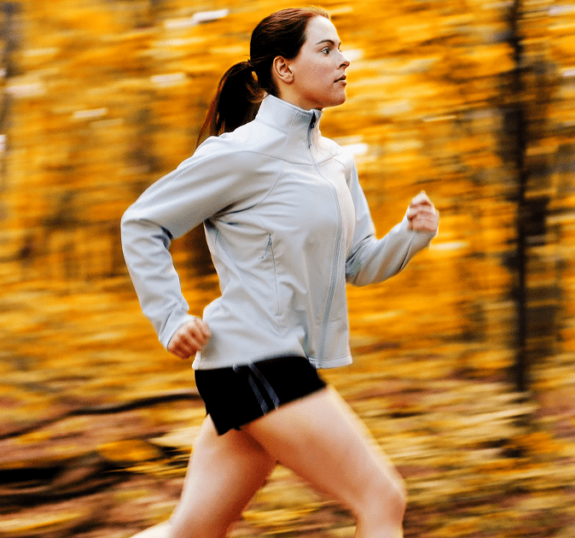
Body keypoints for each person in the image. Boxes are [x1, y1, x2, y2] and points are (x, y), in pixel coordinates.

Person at [120, 7, 438, 538]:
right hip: (253, 356)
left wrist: (410, 236)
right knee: (382, 500)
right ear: (283, 69)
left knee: (193, 530)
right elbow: (142, 222)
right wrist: (172, 318)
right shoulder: (239, 154)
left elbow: (357, 265)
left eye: (341, 48)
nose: (345, 59)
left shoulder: (336, 162)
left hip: (264, 363)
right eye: (327, 49)